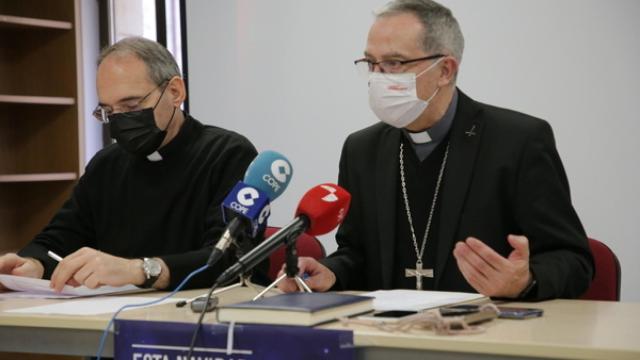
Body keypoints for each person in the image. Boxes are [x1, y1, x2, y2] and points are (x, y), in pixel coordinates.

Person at [279, 0, 593, 300]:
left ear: (444, 70)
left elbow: (573, 259)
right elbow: (356, 252)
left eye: (393, 63)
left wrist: (525, 281)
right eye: (370, 63)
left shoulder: (518, 142)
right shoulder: (362, 149)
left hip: (483, 340)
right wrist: (331, 272)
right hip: (387, 338)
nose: (377, 77)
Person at [0, 37, 258, 292]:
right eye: (109, 112)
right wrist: (34, 265)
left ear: (175, 92)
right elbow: (58, 239)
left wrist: (139, 271)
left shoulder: (230, 154)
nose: (120, 121)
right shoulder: (106, 165)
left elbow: (229, 258)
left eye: (132, 106)